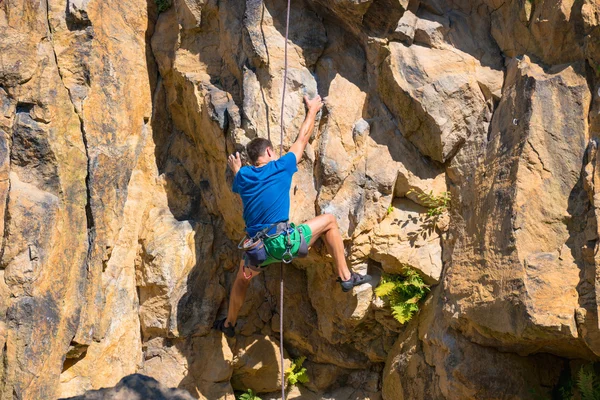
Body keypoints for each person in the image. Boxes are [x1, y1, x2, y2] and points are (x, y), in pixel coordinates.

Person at [214, 95, 371, 338]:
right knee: (329, 221)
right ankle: (346, 277)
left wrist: (236, 169)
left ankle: (229, 324)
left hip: (258, 252)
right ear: (269, 151)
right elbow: (303, 138)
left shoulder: (243, 177)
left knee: (242, 280)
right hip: (284, 243)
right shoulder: (281, 167)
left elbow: (241, 180)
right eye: (273, 152)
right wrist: (313, 109)